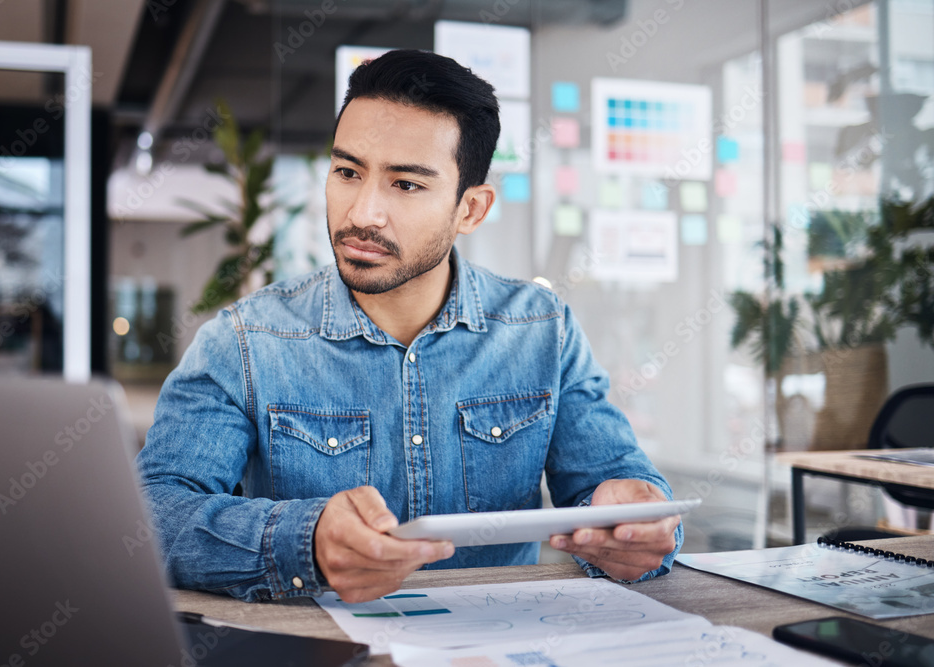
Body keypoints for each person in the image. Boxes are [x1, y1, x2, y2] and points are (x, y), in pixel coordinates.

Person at [137, 49, 682, 604]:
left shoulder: (542, 330)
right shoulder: (245, 341)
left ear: (470, 209)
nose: (362, 213)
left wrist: (638, 522)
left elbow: (621, 488)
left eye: (406, 185)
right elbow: (150, 513)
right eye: (348, 172)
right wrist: (304, 540)